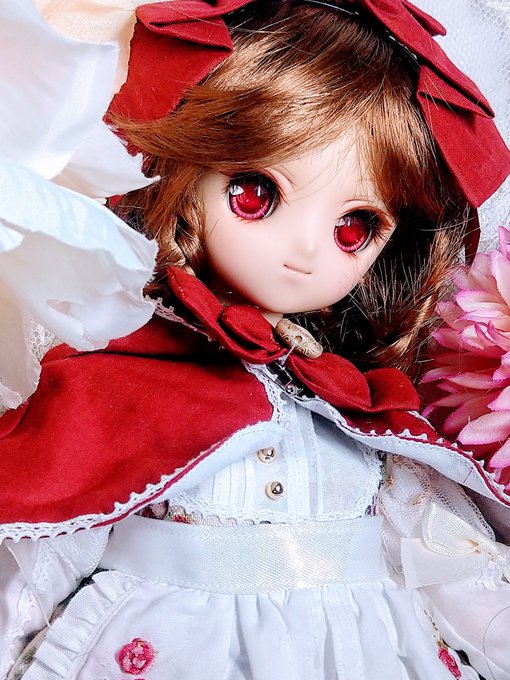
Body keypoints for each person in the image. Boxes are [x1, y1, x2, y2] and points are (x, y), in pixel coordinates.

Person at [1, 1, 510, 678]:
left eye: (354, 227)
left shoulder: (354, 406)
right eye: (255, 194)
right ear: (187, 178)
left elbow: (444, 557)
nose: (305, 251)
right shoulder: (121, 375)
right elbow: (48, 541)